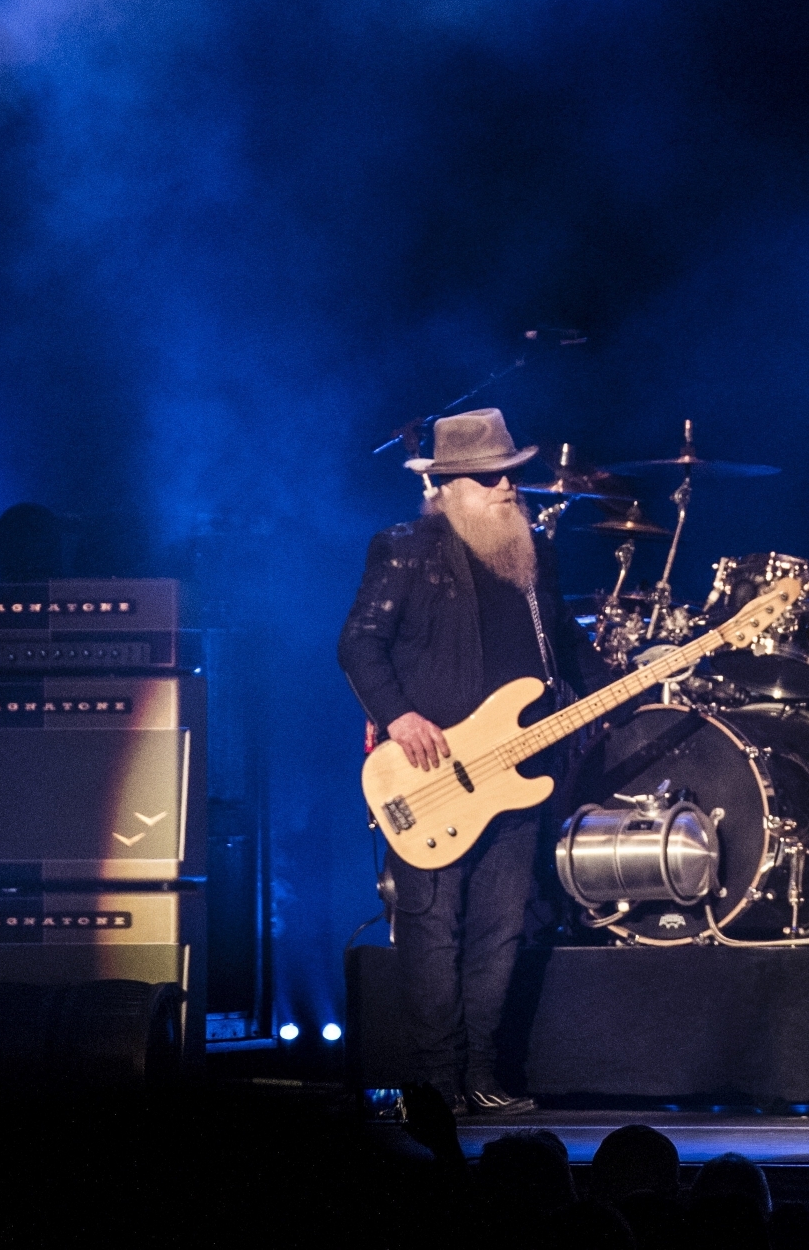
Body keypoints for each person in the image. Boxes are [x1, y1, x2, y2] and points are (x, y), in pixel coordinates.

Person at [338, 408, 602, 1117]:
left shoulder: (531, 553)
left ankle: (481, 1073)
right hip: (432, 774)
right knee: (434, 924)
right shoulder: (404, 547)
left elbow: (567, 645)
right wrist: (400, 715)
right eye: (491, 478)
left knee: (500, 926)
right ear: (448, 485)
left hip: (515, 770)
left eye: (513, 475)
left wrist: (627, 680)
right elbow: (359, 644)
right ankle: (434, 1080)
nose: (508, 489)